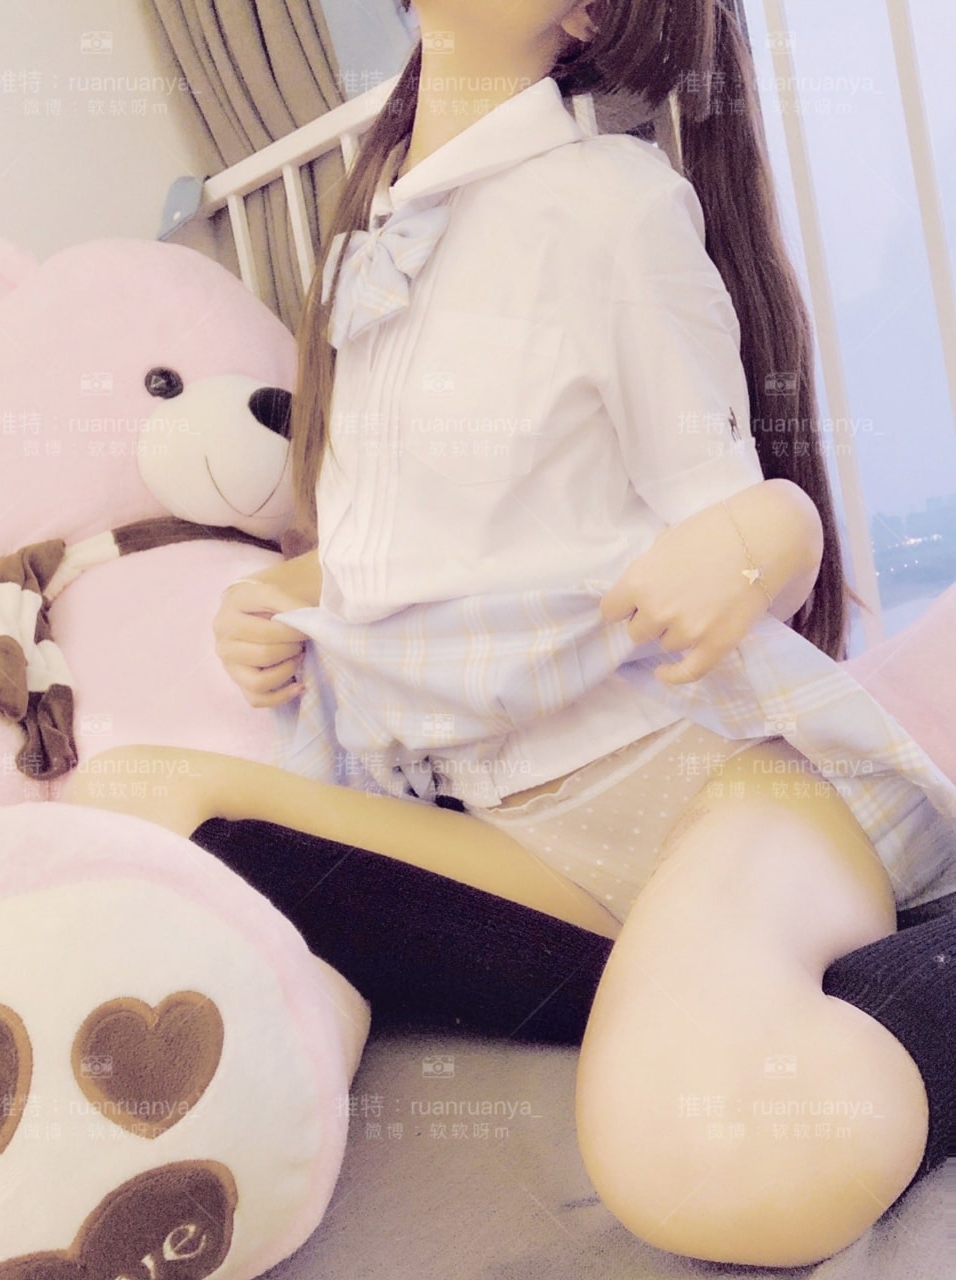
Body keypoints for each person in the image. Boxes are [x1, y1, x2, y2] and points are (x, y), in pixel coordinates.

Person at [63, 0, 956, 1268]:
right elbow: (447, 541)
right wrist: (290, 594)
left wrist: (767, 533)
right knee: (128, 799)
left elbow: (743, 517)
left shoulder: (610, 203)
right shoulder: (368, 244)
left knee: (712, 1153)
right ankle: (675, 978)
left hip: (716, 786)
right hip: (518, 828)